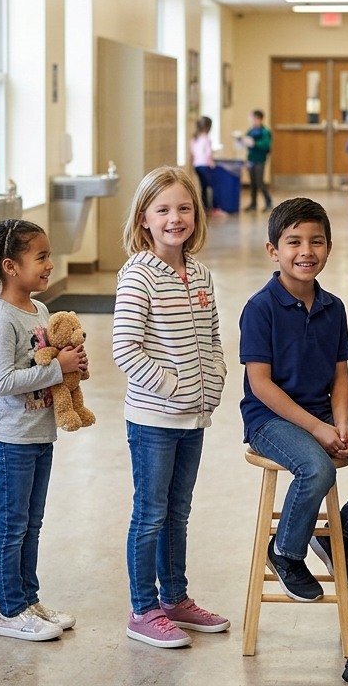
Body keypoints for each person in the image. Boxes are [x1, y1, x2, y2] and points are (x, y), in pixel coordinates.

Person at [240, 198, 348, 602]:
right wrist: (317, 428)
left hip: (320, 411)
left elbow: (340, 376)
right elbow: (260, 385)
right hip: (270, 421)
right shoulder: (260, 309)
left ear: (329, 248)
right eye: (294, 242)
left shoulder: (334, 308)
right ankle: (284, 552)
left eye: (316, 242)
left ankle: (340, 535)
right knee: (318, 470)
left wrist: (342, 421)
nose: (306, 252)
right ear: (273, 251)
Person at [113, 166, 230, 649]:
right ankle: (143, 609)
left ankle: (175, 599)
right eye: (163, 210)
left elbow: (214, 335)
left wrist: (215, 377)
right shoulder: (138, 274)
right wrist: (173, 386)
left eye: (184, 208)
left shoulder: (200, 272)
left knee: (177, 512)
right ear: (144, 218)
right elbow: (125, 348)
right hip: (154, 420)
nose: (174, 218)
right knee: (150, 513)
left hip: (194, 418)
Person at [0, 219, 84, 642]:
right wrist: (57, 367)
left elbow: (44, 365)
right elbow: (2, 382)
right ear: (10, 266)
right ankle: (9, 610)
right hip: (9, 439)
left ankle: (28, 598)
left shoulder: (39, 310)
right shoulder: (1, 318)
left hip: (38, 433)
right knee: (12, 524)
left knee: (32, 523)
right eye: (41, 257)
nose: (50, 264)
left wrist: (70, 369)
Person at [189, 115, 223, 215]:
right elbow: (208, 154)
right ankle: (212, 208)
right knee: (211, 188)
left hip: (197, 166)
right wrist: (212, 164)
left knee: (203, 187)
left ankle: (205, 208)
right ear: (208, 127)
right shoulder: (206, 139)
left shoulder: (194, 138)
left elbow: (192, 153)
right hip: (205, 166)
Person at [242, 109, 273, 212]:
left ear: (258, 119)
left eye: (253, 118)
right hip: (251, 159)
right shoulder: (250, 131)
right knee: (253, 183)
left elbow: (266, 145)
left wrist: (254, 143)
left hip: (260, 160)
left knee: (259, 182)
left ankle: (268, 202)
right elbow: (247, 144)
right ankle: (253, 203)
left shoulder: (264, 132)